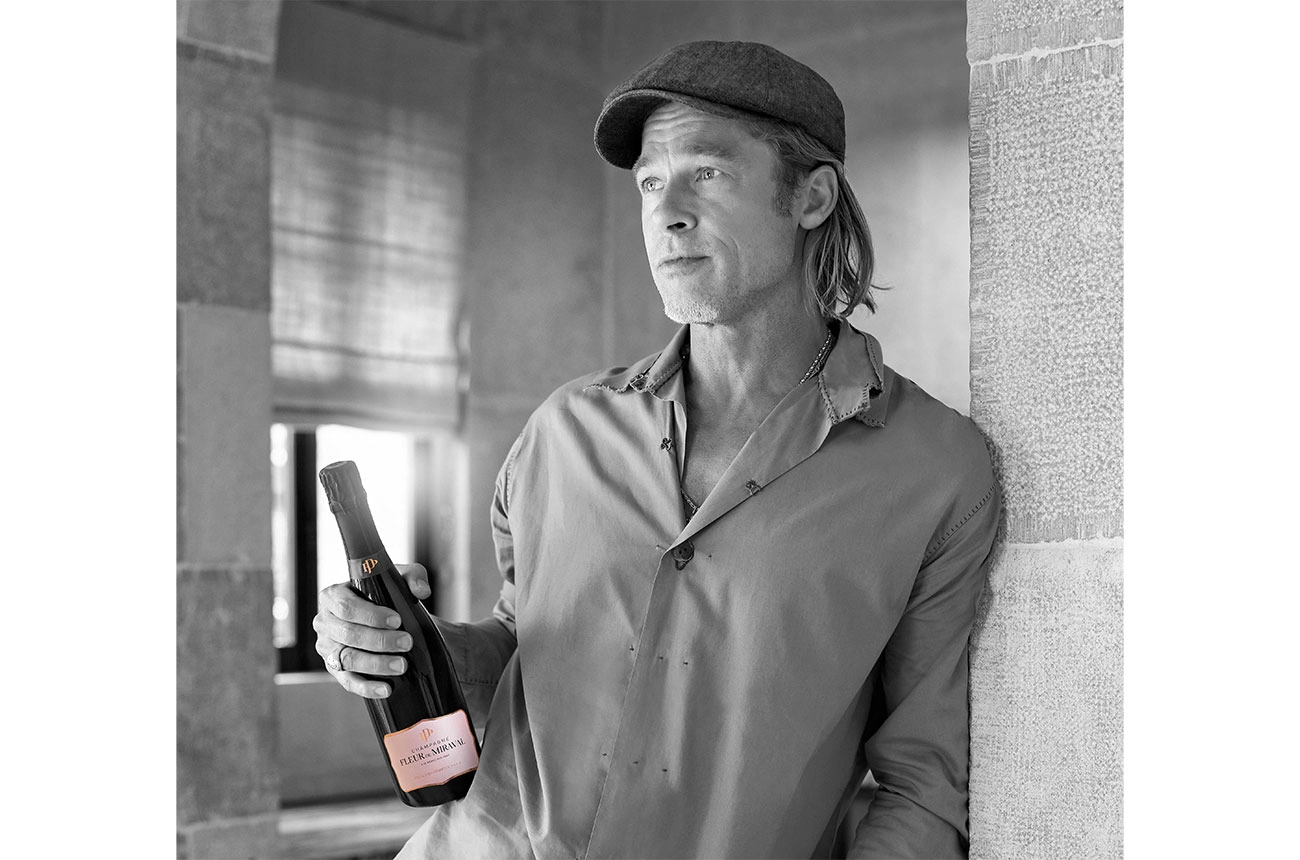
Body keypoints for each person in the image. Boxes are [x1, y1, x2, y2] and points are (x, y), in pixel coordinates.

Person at [312, 40, 1000, 859]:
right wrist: (404, 647)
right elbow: (521, 646)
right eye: (648, 182)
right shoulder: (562, 431)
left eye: (706, 173)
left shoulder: (934, 471)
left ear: (811, 197)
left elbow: (924, 783)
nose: (667, 212)